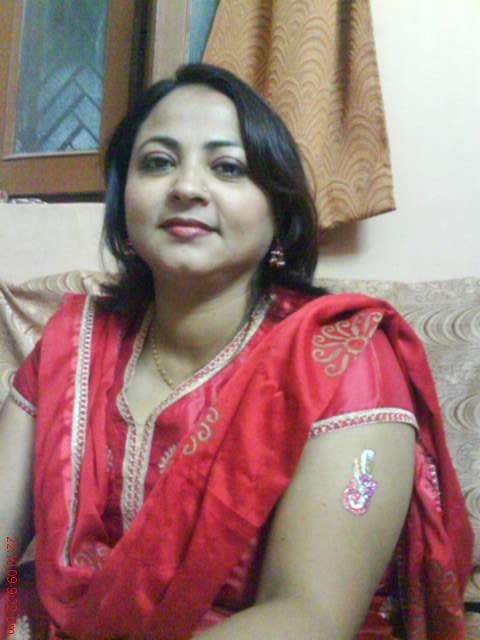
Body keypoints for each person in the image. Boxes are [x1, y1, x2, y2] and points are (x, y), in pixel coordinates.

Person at [0, 63, 473, 639]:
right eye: (157, 162)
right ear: (123, 203)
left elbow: (310, 615)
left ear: (279, 213)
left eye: (227, 167)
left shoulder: (345, 361)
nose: (186, 187)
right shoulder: (70, 346)